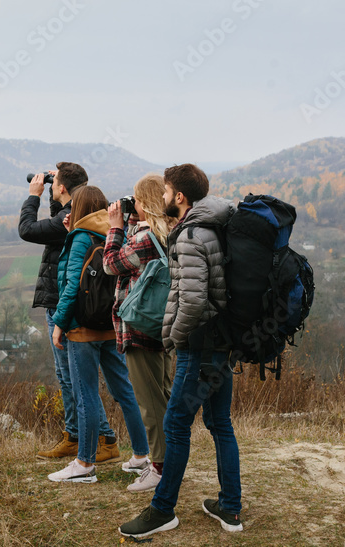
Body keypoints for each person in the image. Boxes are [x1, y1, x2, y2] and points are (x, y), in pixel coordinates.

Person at [119, 164, 242, 537]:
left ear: (180, 197)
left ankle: (162, 510)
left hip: (197, 346)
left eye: (168, 191)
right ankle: (231, 509)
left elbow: (191, 299)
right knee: (220, 424)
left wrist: (172, 337)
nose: (164, 197)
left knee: (175, 426)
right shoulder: (215, 227)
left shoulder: (190, 235)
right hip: (220, 344)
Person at [46, 185, 149, 483]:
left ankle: (84, 464)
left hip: (82, 327)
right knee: (124, 390)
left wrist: (60, 324)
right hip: (112, 323)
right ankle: (142, 454)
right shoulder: (116, 232)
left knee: (86, 393)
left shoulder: (80, 238)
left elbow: (71, 286)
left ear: (77, 208)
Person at [18, 163, 118, 463]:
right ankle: (77, 436)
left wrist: (33, 196)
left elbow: (27, 230)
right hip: (77, 307)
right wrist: (53, 192)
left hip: (65, 309)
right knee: (69, 376)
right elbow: (55, 219)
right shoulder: (81, 215)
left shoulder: (70, 219)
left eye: (54, 183)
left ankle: (101, 438)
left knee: (73, 377)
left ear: (61, 188)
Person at [103, 174, 178, 493]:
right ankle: (169, 462)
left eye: (137, 200)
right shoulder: (169, 232)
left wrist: (115, 227)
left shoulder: (145, 239)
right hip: (162, 325)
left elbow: (110, 264)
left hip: (139, 326)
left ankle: (160, 468)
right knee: (162, 395)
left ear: (145, 203)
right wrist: (133, 218)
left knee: (149, 402)